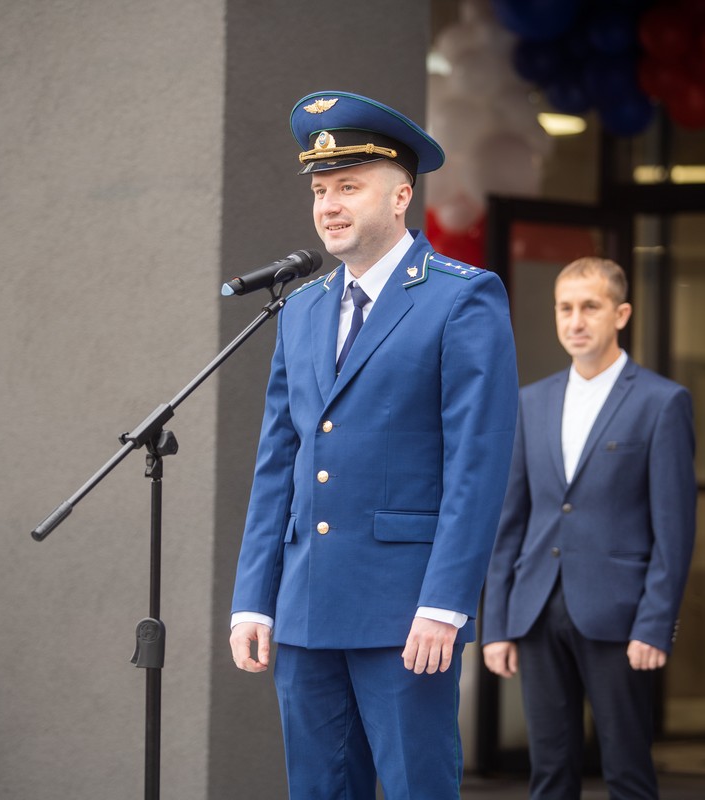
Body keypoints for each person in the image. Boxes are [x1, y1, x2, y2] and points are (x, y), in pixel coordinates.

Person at [227, 90, 518, 800]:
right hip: (306, 604)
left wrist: (445, 602)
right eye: (320, 190)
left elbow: (477, 466)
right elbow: (278, 462)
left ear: (401, 196)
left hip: (405, 611)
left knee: (419, 786)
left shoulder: (461, 298)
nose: (329, 205)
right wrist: (253, 598)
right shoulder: (301, 309)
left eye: (348, 187)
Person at [482, 257, 696, 800]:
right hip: (536, 610)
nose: (575, 321)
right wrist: (497, 624)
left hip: (620, 616)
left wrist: (655, 624)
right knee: (549, 774)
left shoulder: (661, 402)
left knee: (627, 772)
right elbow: (510, 522)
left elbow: (674, 530)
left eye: (590, 307)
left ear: (620, 314)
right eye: (565, 308)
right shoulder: (531, 401)